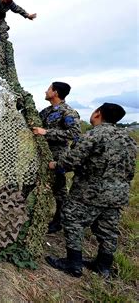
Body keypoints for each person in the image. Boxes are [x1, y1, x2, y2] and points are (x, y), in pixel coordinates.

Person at [45, 103, 136, 278]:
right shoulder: (128, 138)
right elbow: (130, 170)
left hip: (90, 192)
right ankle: (103, 267)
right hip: (118, 193)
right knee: (108, 229)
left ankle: (73, 263)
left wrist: (55, 164)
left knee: (72, 220)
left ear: (98, 114)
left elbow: (71, 161)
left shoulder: (93, 135)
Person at [32, 82, 81, 233]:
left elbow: (75, 133)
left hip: (57, 156)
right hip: (40, 154)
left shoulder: (68, 112)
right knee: (31, 182)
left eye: (48, 89)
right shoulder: (46, 111)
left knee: (59, 189)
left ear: (56, 92)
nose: (45, 91)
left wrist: (47, 133)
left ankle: (58, 221)